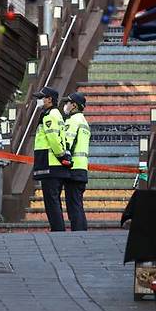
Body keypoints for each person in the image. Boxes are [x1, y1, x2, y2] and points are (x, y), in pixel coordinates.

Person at [32, 86, 72, 231]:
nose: (40, 101)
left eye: (42, 98)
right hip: (54, 164)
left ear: (49, 99)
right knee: (53, 200)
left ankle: (58, 230)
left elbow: (54, 139)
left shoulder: (50, 116)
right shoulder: (54, 114)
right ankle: (58, 228)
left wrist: (61, 156)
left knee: (51, 201)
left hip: (51, 164)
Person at [61, 92, 91, 231]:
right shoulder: (84, 122)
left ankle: (78, 233)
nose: (65, 105)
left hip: (73, 169)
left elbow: (67, 142)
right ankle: (81, 231)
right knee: (78, 204)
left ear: (74, 105)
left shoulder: (73, 121)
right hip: (82, 169)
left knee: (73, 206)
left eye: (68, 102)